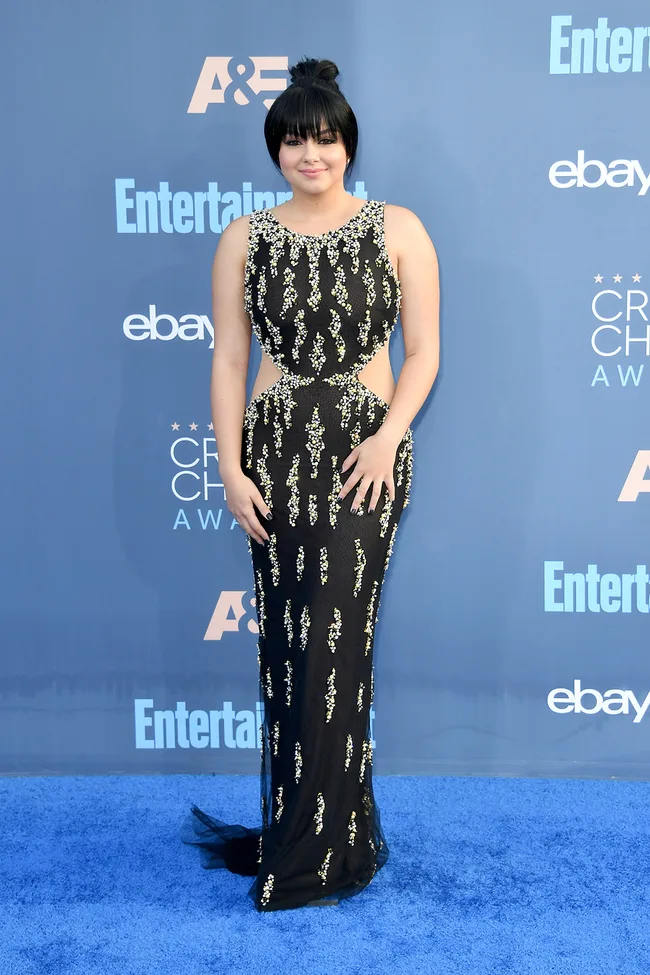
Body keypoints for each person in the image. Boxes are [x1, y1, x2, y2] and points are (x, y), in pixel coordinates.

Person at [181, 55, 440, 912]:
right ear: (275, 150)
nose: (310, 154)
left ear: (347, 143)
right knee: (292, 652)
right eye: (295, 140)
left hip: (365, 457)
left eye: (323, 137)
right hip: (274, 456)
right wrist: (227, 465)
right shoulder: (243, 238)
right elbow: (228, 357)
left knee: (338, 644)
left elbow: (424, 353)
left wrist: (387, 437)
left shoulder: (399, 227)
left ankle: (319, 855)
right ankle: (323, 830)